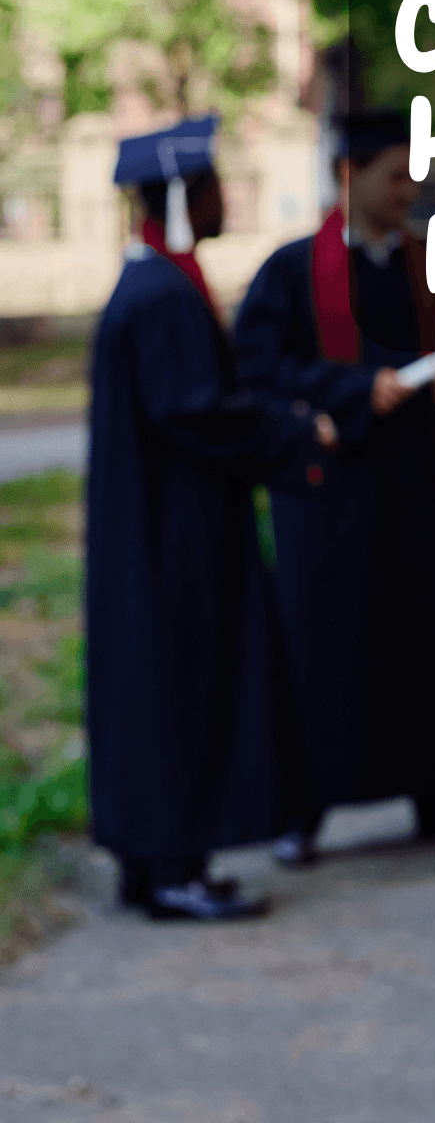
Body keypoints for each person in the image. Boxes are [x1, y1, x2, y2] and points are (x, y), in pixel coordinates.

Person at [234, 108, 435, 864]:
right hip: (332, 495)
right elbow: (259, 369)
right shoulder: (293, 269)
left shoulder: (428, 262)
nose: (408, 191)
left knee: (426, 642)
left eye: (414, 177)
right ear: (348, 175)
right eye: (395, 176)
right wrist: (358, 390)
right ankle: (305, 809)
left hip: (419, 485)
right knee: (326, 649)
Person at [87, 117, 336, 920]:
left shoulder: (152, 282)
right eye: (214, 186)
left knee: (155, 685)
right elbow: (196, 412)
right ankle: (173, 870)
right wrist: (295, 432)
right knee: (178, 686)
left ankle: (152, 863)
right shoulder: (162, 295)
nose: (226, 198)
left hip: (158, 526)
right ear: (182, 199)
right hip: (174, 535)